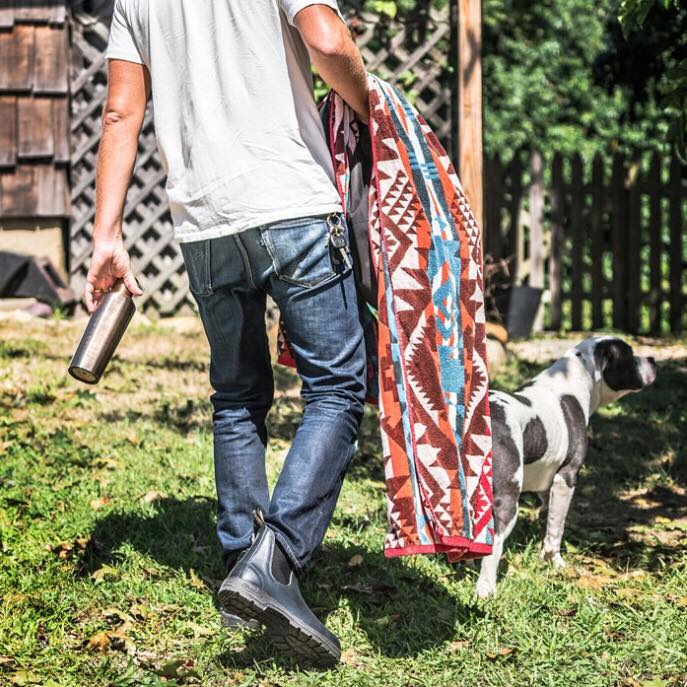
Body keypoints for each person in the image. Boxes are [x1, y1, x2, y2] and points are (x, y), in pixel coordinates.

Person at [85, 0, 369, 665]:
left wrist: (106, 235)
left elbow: (121, 112)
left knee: (238, 394)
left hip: (206, 224)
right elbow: (326, 40)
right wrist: (369, 110)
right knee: (335, 387)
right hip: (292, 203)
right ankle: (274, 561)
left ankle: (243, 564)